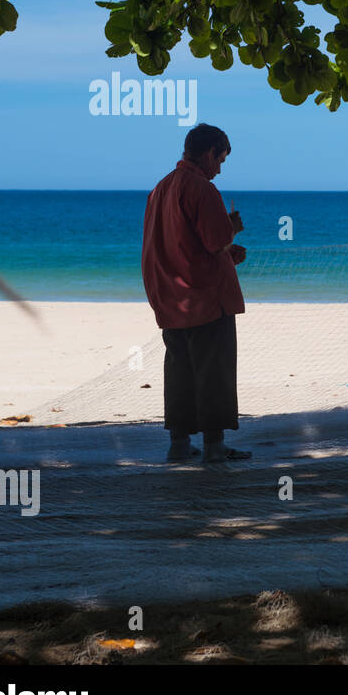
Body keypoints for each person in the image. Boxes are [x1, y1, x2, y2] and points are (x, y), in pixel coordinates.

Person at [141, 124, 252, 463]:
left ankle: (178, 444)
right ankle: (214, 448)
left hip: (171, 297)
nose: (219, 168)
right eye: (220, 159)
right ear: (207, 154)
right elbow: (215, 240)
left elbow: (175, 247)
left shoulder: (160, 189)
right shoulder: (201, 189)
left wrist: (227, 254)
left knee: (180, 373)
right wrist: (231, 228)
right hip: (206, 299)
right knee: (213, 373)